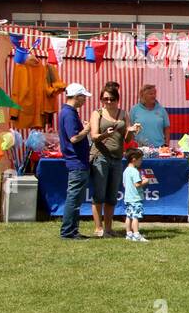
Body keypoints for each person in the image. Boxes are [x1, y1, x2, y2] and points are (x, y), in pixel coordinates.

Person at [88, 81, 139, 238]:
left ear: (117, 99)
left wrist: (132, 131)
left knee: (111, 195)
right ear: (101, 100)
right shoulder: (97, 113)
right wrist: (105, 134)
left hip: (117, 158)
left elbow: (127, 139)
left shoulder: (124, 114)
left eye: (111, 99)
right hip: (100, 157)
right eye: (105, 99)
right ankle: (98, 228)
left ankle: (108, 229)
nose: (108, 102)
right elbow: (94, 136)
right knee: (99, 194)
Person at [58, 83, 93, 240]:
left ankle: (72, 230)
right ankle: (68, 231)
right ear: (77, 96)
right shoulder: (69, 113)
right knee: (74, 197)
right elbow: (74, 138)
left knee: (76, 197)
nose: (85, 100)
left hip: (77, 160)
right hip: (76, 161)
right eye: (83, 97)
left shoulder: (68, 112)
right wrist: (87, 129)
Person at [122, 149, 153, 242]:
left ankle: (129, 234)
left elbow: (124, 184)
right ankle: (136, 234)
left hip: (128, 198)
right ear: (134, 159)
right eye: (140, 159)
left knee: (129, 216)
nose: (141, 162)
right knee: (135, 216)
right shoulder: (135, 171)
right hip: (135, 198)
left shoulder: (126, 171)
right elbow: (137, 184)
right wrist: (146, 181)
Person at [129, 83, 170, 149]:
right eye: (151, 94)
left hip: (159, 148)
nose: (153, 96)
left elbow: (167, 128)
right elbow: (130, 129)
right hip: (140, 149)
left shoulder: (161, 110)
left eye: (154, 93)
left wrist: (166, 144)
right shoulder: (134, 110)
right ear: (143, 95)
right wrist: (133, 146)